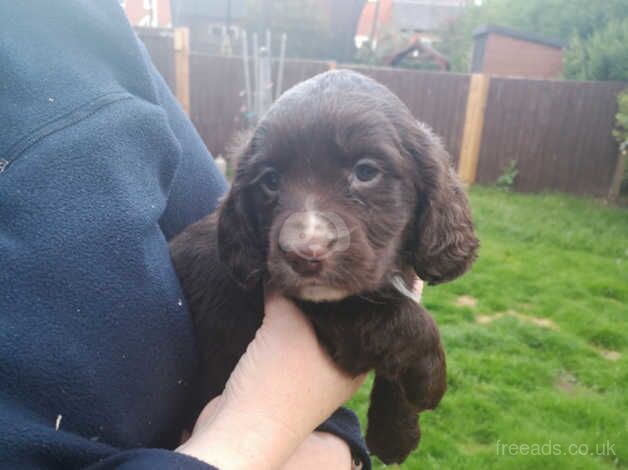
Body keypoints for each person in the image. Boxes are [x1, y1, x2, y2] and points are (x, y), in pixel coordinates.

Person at [0, 1, 370, 468]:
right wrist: (261, 427)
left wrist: (333, 440)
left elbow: (227, 241)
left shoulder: (75, 19)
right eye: (275, 183)